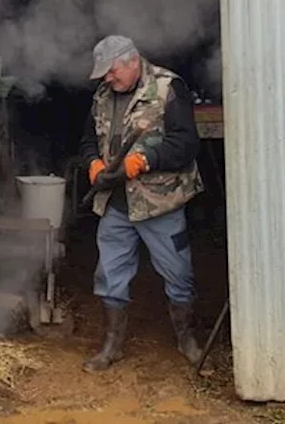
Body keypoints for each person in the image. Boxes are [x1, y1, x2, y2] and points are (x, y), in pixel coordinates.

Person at [77, 34, 204, 372]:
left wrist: (143, 161)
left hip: (158, 203)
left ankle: (187, 340)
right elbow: (88, 140)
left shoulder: (168, 88)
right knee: (110, 273)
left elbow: (187, 144)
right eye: (104, 73)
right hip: (116, 205)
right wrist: (93, 164)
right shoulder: (102, 96)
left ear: (133, 61)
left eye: (112, 71)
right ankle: (112, 345)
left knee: (178, 273)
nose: (107, 78)